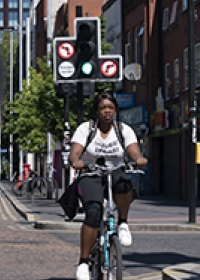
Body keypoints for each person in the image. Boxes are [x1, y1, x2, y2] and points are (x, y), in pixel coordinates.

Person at [68, 92, 148, 280]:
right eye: (103, 108)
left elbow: (133, 151)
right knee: (94, 211)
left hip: (115, 172)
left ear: (115, 111)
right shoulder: (86, 129)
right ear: (97, 110)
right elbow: (74, 153)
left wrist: (138, 159)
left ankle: (123, 223)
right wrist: (77, 161)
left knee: (125, 183)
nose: (107, 112)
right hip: (91, 174)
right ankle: (83, 262)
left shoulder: (123, 130)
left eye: (110, 108)